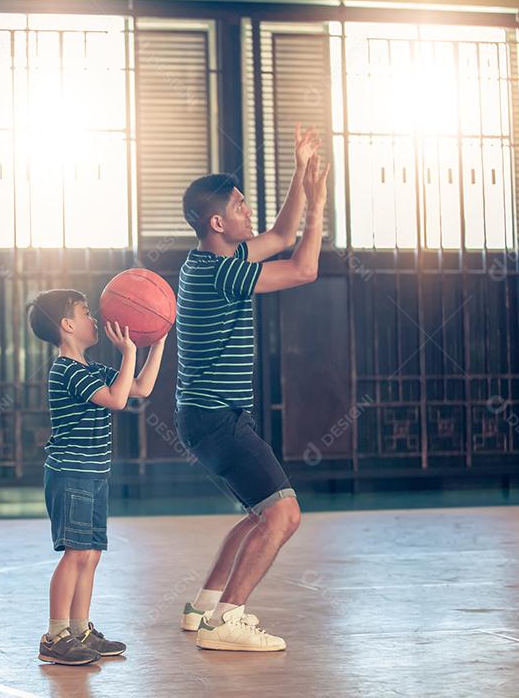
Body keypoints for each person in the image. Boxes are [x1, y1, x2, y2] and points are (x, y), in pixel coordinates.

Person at [174, 126, 330, 651]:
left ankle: (203, 607)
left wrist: (300, 173)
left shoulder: (209, 261)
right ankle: (226, 620)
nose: (249, 212)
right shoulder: (221, 274)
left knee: (259, 513)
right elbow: (304, 267)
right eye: (241, 206)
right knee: (284, 514)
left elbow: (282, 237)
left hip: (205, 417)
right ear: (218, 222)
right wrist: (319, 205)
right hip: (217, 418)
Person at [26, 289, 167, 665]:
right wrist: (129, 352)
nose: (94, 319)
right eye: (85, 313)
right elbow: (117, 400)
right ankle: (55, 636)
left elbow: (139, 388)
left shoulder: (92, 370)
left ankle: (80, 630)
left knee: (90, 555)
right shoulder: (67, 370)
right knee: (75, 554)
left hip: (93, 474)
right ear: (67, 325)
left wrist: (157, 340)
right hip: (71, 475)